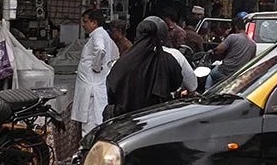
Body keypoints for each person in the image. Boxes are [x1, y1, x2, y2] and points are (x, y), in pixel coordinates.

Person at [105, 17, 189, 118]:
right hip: (159, 117)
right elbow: (176, 83)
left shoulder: (124, 61)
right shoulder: (167, 59)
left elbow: (112, 86)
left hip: (128, 118)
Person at [71, 7, 116, 137]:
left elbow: (100, 50)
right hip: (96, 87)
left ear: (94, 23)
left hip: (92, 90)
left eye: (85, 22)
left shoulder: (98, 34)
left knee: (90, 127)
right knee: (95, 124)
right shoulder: (104, 36)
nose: (83, 25)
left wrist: (96, 66)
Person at [209, 14, 256, 84]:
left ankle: (207, 90)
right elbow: (252, 61)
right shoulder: (253, 44)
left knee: (212, 73)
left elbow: (219, 49)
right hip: (240, 74)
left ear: (235, 27)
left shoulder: (232, 37)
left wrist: (225, 36)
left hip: (225, 71)